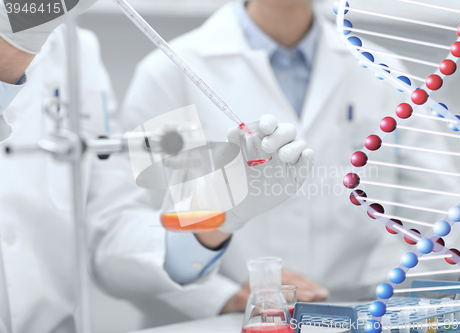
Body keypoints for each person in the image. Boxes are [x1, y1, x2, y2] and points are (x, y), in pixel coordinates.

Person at [122, 0, 460, 317]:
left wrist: (402, 306)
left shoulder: (382, 72)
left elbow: (436, 208)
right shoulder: (167, 73)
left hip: (347, 310)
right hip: (220, 321)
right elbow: (127, 227)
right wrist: (222, 295)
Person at [0, 1, 313, 332]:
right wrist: (10, 51)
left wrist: (210, 213)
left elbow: (109, 230)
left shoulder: (77, 51)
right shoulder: (162, 71)